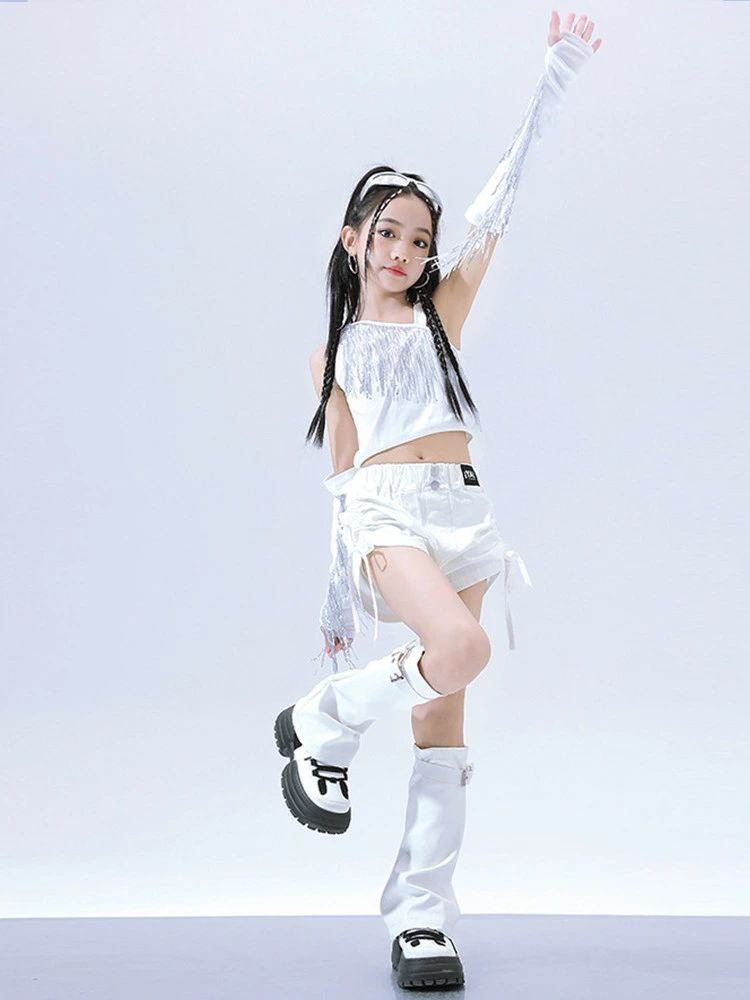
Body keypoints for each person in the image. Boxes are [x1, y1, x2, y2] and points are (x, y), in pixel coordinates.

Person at [274, 12, 603, 990]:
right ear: (353, 238)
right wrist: (340, 589)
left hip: (463, 514)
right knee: (459, 648)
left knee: (443, 727)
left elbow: (501, 204)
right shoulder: (330, 356)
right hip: (385, 515)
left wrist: (553, 80)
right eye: (389, 233)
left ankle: (420, 918)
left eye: (420, 239)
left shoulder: (440, 319)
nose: (406, 250)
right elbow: (342, 477)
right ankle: (331, 717)